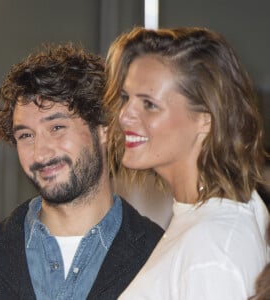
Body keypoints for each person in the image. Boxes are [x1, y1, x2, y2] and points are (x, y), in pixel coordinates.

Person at [0, 43, 164, 300]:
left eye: (57, 128)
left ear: (104, 129)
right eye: (26, 135)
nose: (40, 153)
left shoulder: (161, 256)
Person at [104, 26, 270, 299]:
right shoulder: (214, 211)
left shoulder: (212, 248)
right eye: (126, 98)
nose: (124, 116)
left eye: (149, 104)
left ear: (205, 118)